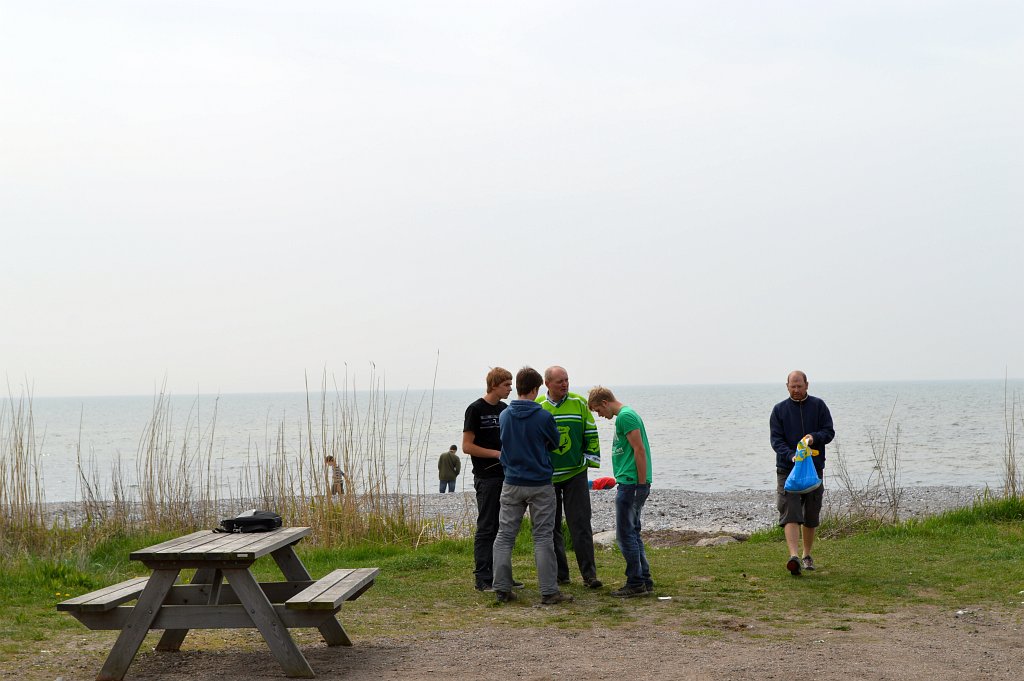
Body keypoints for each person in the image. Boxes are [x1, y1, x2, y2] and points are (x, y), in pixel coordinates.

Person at [492, 367, 573, 605]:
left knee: (505, 536)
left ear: (518, 387)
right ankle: (549, 591)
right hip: (540, 483)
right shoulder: (543, 417)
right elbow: (555, 442)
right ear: (536, 389)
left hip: (512, 482)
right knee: (543, 537)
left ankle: (502, 588)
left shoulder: (504, 416)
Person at [537, 366, 603, 589]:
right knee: (552, 526)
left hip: (576, 474)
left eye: (567, 380)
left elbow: (590, 432)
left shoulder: (579, 403)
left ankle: (589, 575)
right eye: (560, 381)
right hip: (548, 477)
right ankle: (561, 575)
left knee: (581, 523)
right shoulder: (538, 405)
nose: (565, 384)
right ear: (547, 384)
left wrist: (589, 459)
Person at [588, 386, 654, 597]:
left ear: (605, 402)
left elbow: (639, 450)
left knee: (625, 535)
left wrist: (641, 485)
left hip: (631, 483)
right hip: (630, 482)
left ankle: (635, 582)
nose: (600, 415)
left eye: (598, 410)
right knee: (633, 532)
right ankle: (644, 578)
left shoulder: (625, 417)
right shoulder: (624, 417)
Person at [463, 367, 522, 592]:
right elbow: (467, 446)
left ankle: (502, 575)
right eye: (506, 385)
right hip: (486, 477)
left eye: (511, 384)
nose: (510, 389)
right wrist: (496, 454)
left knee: (504, 527)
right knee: (487, 527)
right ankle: (483, 577)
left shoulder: (505, 409)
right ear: (494, 385)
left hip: (507, 476)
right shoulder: (475, 409)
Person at [770, 370, 835, 575]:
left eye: (799, 386)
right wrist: (792, 455)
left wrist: (813, 438)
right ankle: (794, 557)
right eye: (793, 386)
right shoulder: (779, 410)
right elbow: (776, 441)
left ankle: (807, 555)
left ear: (807, 385)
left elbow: (829, 432)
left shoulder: (819, 406)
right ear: (787, 387)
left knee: (811, 514)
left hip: (813, 469)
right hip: (787, 469)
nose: (796, 390)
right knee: (790, 511)